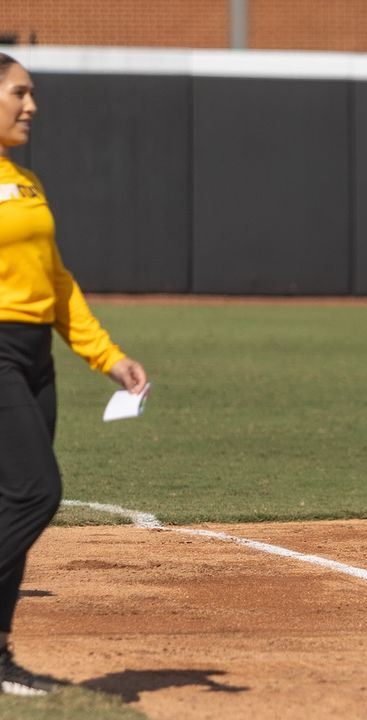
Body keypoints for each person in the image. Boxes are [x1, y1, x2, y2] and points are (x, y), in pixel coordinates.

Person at [0, 53, 149, 695]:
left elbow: (58, 284)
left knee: (10, 502)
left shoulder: (25, 181)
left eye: (33, 94)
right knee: (36, 493)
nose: (31, 105)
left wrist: (108, 357)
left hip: (36, 358)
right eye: (18, 93)